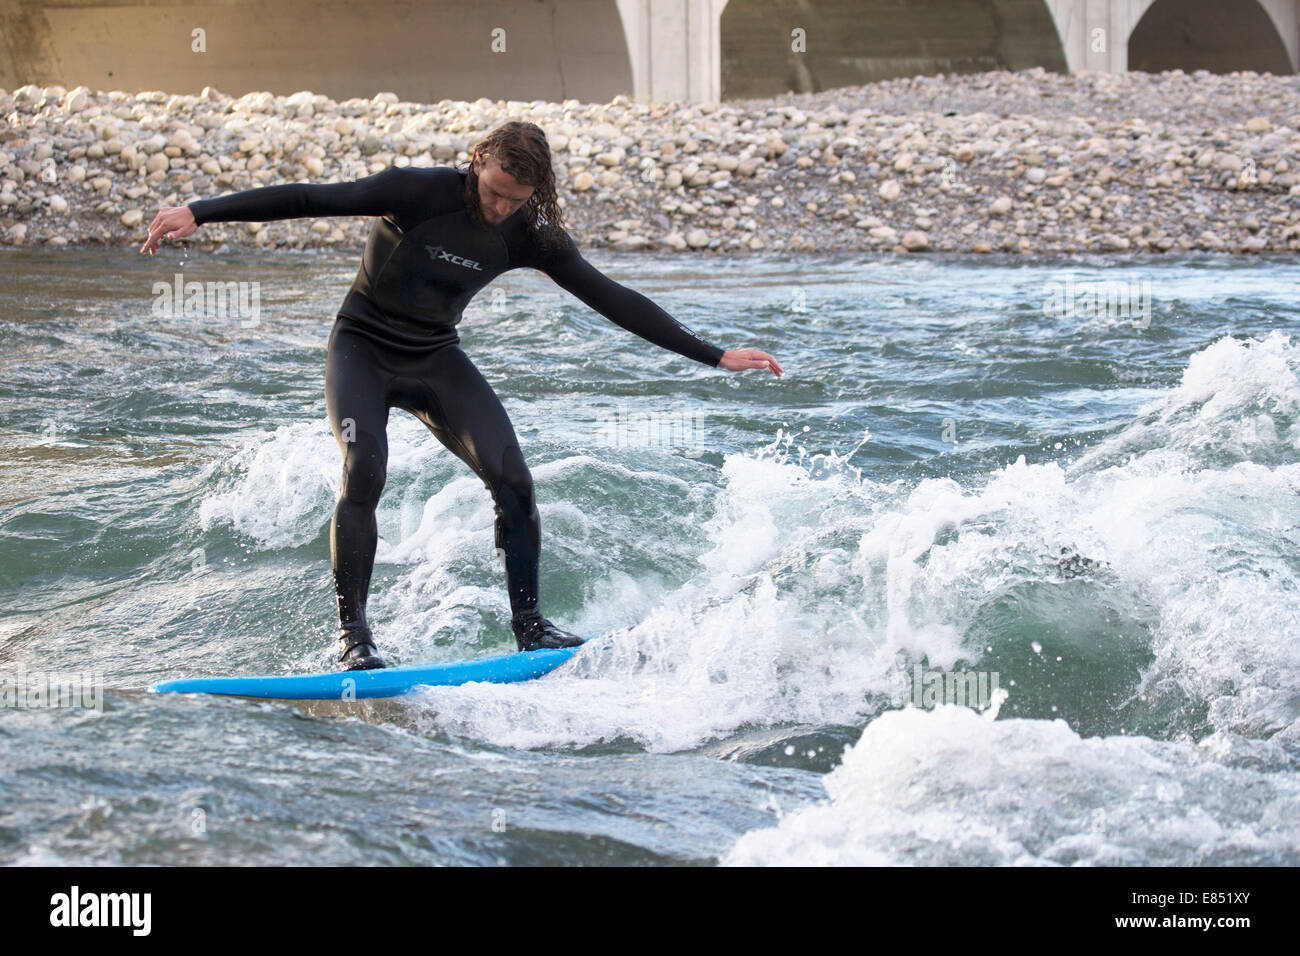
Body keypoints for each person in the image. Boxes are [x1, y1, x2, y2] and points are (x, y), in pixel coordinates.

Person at [140, 120, 783, 670]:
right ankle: (354, 638)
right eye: (495, 191)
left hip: (433, 357)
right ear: (477, 162)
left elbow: (611, 296)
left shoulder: (529, 233)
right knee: (364, 469)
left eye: (515, 199)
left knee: (514, 477)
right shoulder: (415, 191)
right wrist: (199, 211)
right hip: (361, 347)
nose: (500, 208)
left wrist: (714, 354)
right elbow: (310, 196)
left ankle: (531, 627)